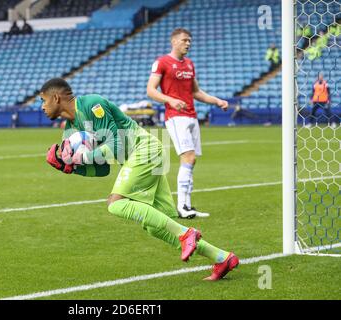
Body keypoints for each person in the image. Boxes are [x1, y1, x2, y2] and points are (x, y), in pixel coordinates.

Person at [42, 78, 239, 281]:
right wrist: (69, 167)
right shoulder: (70, 131)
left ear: (56, 97)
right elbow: (101, 170)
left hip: (145, 149)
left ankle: (187, 234)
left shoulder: (91, 104)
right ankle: (222, 258)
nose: (42, 106)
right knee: (155, 226)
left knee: (115, 204)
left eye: (43, 100)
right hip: (138, 158)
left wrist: (80, 157)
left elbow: (116, 143)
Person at [146, 28, 229, 219]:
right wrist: (170, 100)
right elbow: (151, 90)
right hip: (175, 116)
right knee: (189, 157)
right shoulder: (162, 62)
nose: (188, 44)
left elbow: (196, 92)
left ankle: (187, 206)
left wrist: (217, 101)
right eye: (184, 40)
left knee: (191, 160)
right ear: (174, 41)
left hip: (192, 116)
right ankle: (183, 207)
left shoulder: (190, 64)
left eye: (190, 41)